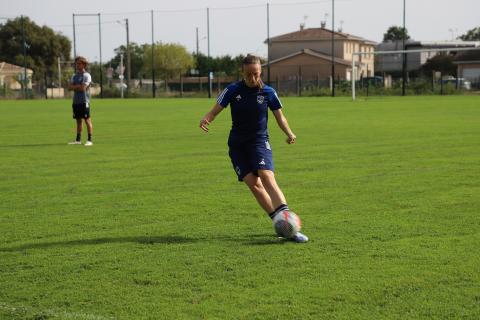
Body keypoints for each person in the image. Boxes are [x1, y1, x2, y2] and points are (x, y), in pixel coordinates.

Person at [199, 54, 308, 243]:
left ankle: (289, 221)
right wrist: (207, 118)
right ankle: (281, 224)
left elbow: (280, 117)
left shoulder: (268, 92)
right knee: (255, 186)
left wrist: (289, 133)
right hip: (237, 145)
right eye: (249, 74)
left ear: (261, 72)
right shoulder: (232, 90)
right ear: (242, 72)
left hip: (259, 142)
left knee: (266, 176)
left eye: (256, 74)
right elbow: (216, 108)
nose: (253, 78)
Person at [68, 56, 93, 146]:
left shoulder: (86, 75)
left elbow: (83, 88)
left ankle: (89, 140)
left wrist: (75, 87)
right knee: (78, 121)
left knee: (87, 120)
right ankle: (78, 140)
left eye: (79, 63)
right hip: (76, 102)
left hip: (84, 101)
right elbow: (69, 87)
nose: (77, 65)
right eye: (76, 63)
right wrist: (77, 86)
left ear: (83, 65)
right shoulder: (74, 76)